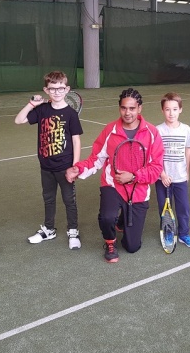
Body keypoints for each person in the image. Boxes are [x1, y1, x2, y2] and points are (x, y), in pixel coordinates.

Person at [65, 88, 164, 263]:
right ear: (119, 108)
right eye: (124, 108)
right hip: (113, 185)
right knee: (107, 216)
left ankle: (122, 220)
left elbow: (156, 168)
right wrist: (78, 169)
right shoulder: (110, 130)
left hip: (138, 190)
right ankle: (110, 242)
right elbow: (96, 158)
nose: (128, 113)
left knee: (132, 247)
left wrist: (133, 176)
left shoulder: (152, 133)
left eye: (132, 108)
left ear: (139, 108)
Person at [14, 71, 83, 250]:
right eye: (52, 89)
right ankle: (49, 229)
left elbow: (76, 140)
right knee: (49, 199)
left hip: (65, 167)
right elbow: (19, 120)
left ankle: (73, 231)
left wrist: (75, 166)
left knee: (69, 200)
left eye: (61, 88)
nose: (57, 92)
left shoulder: (71, 114)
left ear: (67, 89)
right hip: (46, 166)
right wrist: (31, 104)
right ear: (46, 90)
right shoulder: (42, 110)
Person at [155, 92, 190, 248]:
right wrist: (163, 174)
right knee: (165, 209)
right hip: (162, 179)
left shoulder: (186, 129)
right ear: (162, 111)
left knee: (183, 208)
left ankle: (184, 234)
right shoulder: (157, 130)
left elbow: (188, 151)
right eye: (167, 109)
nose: (171, 113)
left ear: (180, 109)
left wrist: (186, 172)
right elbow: (155, 156)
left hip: (180, 178)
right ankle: (168, 232)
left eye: (174, 109)